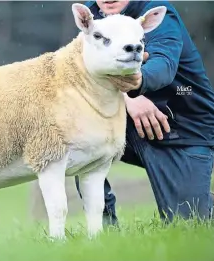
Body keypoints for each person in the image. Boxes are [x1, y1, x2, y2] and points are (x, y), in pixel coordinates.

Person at [74, 0, 214, 226]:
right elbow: (86, 68)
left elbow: (164, 64)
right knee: (79, 134)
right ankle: (104, 231)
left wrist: (136, 84)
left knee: (186, 224)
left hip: (183, 126)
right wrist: (128, 97)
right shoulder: (91, 17)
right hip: (129, 127)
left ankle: (201, 203)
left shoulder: (159, 14)